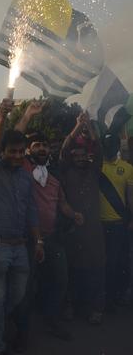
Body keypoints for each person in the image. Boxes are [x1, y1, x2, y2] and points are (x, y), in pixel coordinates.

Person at [12, 101, 85, 349]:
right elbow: (14, 139)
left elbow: (61, 204)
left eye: (44, 145)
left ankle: (52, 321)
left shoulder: (52, 178)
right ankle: (21, 331)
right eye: (37, 145)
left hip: (52, 238)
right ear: (28, 150)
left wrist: (73, 214)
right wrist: (28, 115)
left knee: (60, 280)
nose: (42, 148)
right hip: (27, 239)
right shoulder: (21, 170)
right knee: (25, 286)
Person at [0, 98, 42, 355]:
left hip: (20, 247)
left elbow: (31, 211)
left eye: (20, 152)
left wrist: (38, 241)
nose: (16, 155)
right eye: (11, 151)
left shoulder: (25, 177)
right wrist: (3, 117)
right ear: (3, 152)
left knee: (16, 296)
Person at [59, 111, 105, 325]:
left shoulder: (94, 170)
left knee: (94, 269)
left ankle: (95, 308)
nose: (79, 157)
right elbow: (65, 148)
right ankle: (69, 306)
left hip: (93, 230)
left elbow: (98, 148)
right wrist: (78, 126)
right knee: (71, 269)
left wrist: (89, 127)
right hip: (71, 228)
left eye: (83, 155)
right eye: (76, 155)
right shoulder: (66, 170)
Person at [99, 133, 133, 309]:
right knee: (100, 263)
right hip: (97, 225)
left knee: (115, 262)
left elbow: (130, 197)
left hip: (119, 224)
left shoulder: (127, 168)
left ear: (118, 146)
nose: (110, 147)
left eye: (114, 144)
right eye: (107, 144)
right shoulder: (96, 167)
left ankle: (112, 297)